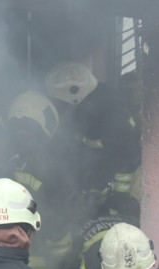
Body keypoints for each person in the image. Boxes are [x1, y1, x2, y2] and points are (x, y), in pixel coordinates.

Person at [45, 62, 142, 219]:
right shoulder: (87, 109)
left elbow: (127, 160)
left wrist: (118, 200)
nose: (59, 107)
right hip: (99, 188)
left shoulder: (112, 116)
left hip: (122, 193)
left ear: (74, 96)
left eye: (60, 102)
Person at [2, 90, 77, 269]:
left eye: (26, 130)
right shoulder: (14, 166)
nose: (22, 136)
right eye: (19, 130)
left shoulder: (11, 167)